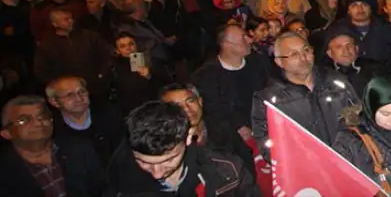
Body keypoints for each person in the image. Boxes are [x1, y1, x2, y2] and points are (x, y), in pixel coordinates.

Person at [104, 101, 260, 196]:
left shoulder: (227, 170)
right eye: (144, 162)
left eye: (169, 159)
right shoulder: (120, 183)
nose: (157, 173)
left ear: (188, 137)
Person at [251, 32, 359, 155]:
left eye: (306, 51)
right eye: (294, 54)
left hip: (347, 161)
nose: (303, 58)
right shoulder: (269, 99)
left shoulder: (336, 82)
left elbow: (358, 120)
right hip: (305, 167)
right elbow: (268, 145)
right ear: (279, 61)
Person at [0, 95, 104, 197]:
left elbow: (102, 189)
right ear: (6, 133)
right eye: (24, 120)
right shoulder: (5, 171)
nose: (38, 123)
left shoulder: (79, 148)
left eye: (43, 116)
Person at [159, 83, 255, 176]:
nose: (187, 109)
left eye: (190, 101)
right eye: (177, 106)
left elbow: (247, 163)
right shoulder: (167, 146)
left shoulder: (223, 129)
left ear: (200, 102)